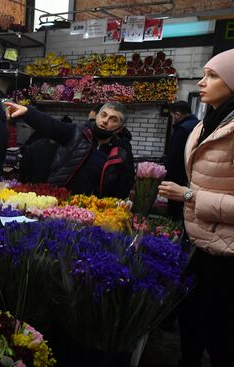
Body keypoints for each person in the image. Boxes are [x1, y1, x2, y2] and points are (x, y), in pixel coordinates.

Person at [159, 48, 234, 367]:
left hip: (226, 255)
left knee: (220, 336)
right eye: (203, 74)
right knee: (190, 324)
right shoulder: (205, 125)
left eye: (212, 75)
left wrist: (189, 197)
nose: (202, 83)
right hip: (197, 245)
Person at [6, 101, 135, 198]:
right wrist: (28, 113)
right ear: (97, 116)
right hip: (62, 199)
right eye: (104, 115)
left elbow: (125, 184)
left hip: (93, 207)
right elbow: (52, 125)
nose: (105, 121)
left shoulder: (121, 152)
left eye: (113, 119)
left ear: (119, 128)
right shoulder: (77, 133)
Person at [164, 101, 199, 220]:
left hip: (178, 180)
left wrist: (166, 179)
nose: (172, 119)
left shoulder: (182, 129)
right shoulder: (198, 125)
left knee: (176, 213)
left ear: (177, 114)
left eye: (172, 116)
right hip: (192, 179)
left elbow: (174, 158)